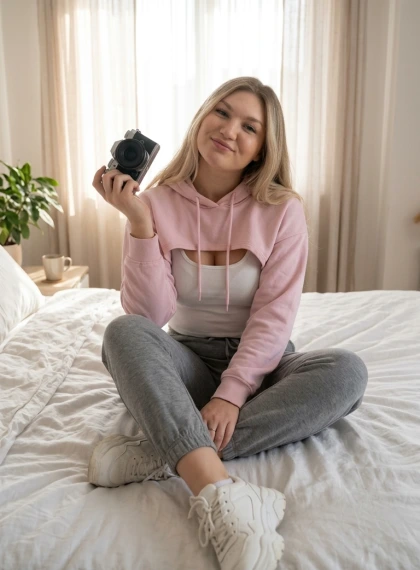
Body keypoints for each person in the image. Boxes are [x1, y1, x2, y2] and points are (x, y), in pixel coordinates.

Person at [89, 76, 368, 570]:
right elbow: (150, 317)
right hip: (187, 362)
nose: (229, 130)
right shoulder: (155, 203)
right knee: (122, 333)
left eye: (249, 127)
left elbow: (275, 315)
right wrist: (138, 223)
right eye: (222, 112)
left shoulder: (282, 210)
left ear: (262, 149)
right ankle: (219, 489)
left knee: (346, 372)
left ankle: (166, 449)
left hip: (261, 367)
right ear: (202, 118)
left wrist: (232, 393)